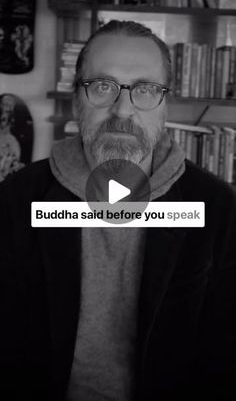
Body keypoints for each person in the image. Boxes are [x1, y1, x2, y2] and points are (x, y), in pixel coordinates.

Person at [0, 20, 236, 401]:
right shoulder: (16, 201)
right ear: (77, 97)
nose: (123, 109)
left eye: (145, 89)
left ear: (164, 104)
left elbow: (223, 356)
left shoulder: (218, 209)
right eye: (103, 86)